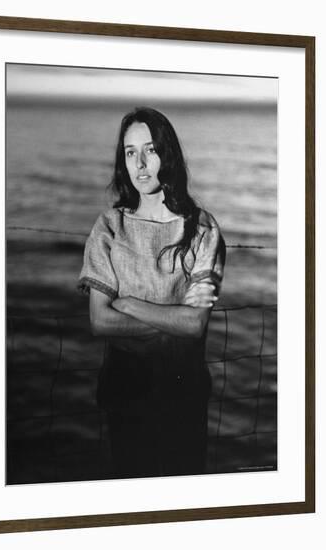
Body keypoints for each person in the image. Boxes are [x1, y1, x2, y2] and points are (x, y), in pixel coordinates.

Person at [78, 107, 226, 479]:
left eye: (150, 150)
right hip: (125, 389)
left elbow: (194, 325)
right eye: (130, 152)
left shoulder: (202, 230)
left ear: (167, 154)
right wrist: (172, 318)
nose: (140, 164)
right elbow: (99, 320)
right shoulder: (109, 227)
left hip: (184, 392)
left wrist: (128, 304)